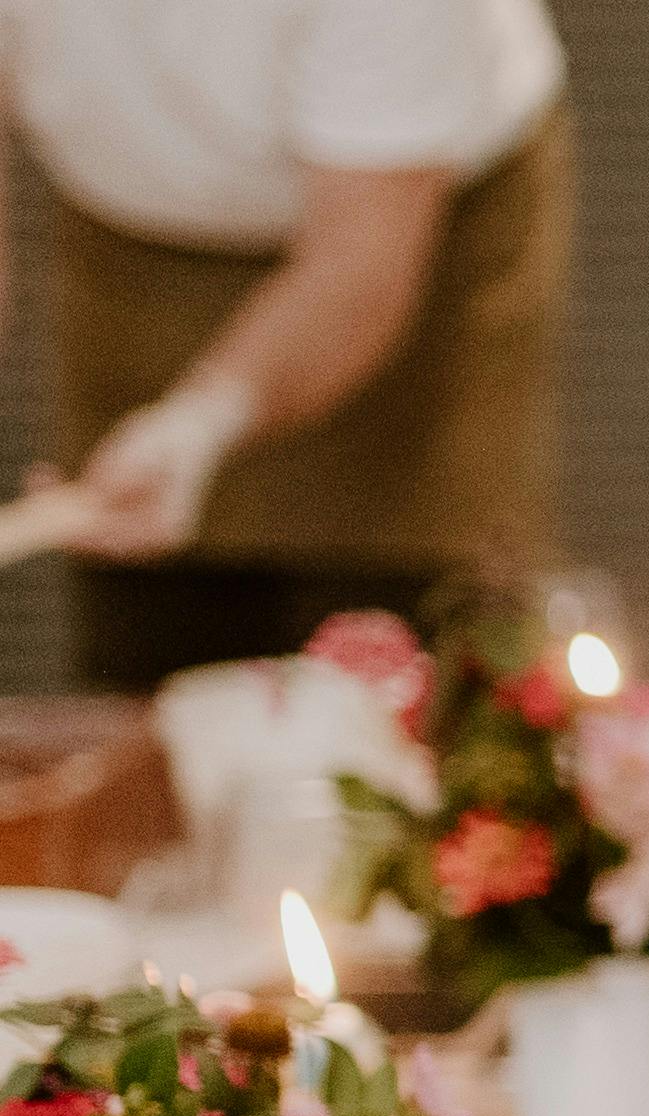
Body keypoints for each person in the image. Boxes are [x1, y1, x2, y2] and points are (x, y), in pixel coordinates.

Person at [0, 0, 571, 690]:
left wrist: (198, 426)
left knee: (402, 673)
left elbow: (359, 265)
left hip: (409, 221)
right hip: (130, 238)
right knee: (152, 662)